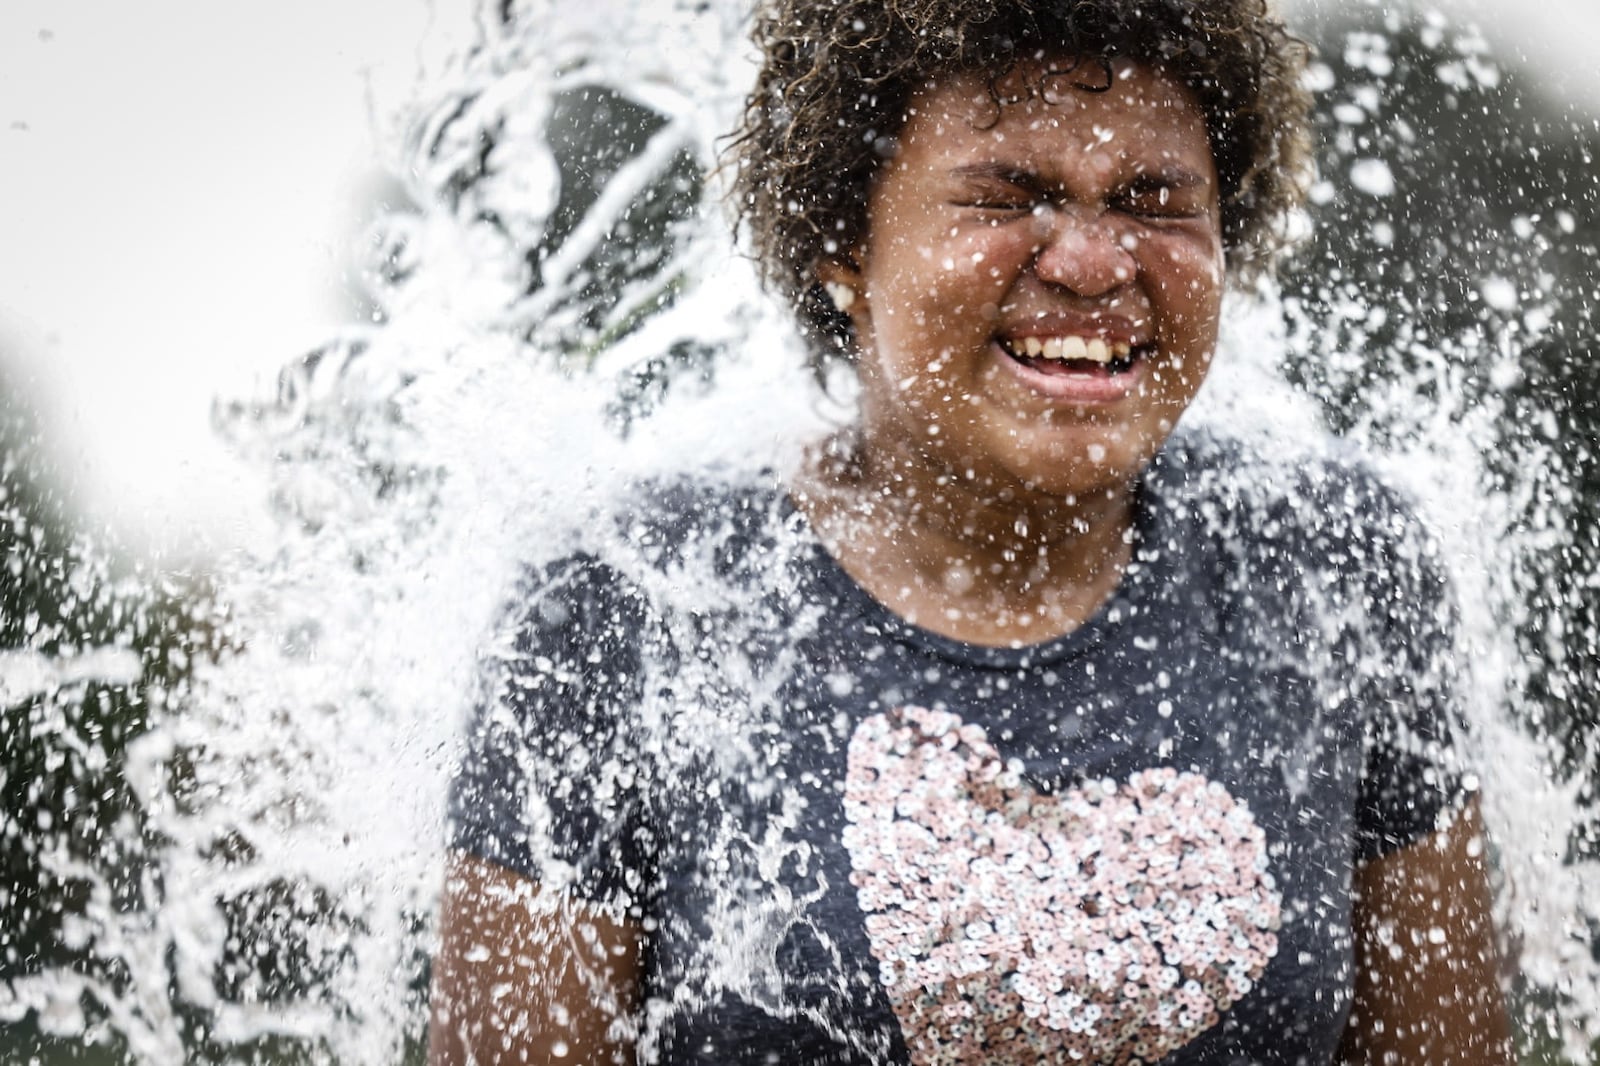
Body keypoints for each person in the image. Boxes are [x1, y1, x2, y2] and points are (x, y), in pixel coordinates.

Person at [429, 0, 1513, 1062]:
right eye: (1007, 196)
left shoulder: (1335, 568)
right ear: (841, 241)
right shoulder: (622, 603)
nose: (1093, 264)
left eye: (1152, 200)